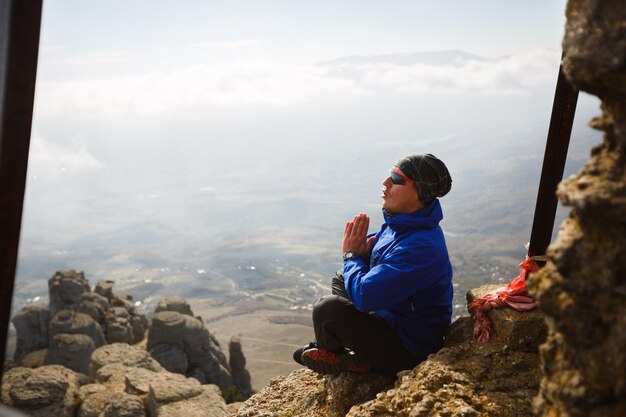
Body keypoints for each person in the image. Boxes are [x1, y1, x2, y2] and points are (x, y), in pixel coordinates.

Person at [292, 153, 453, 376]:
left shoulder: (422, 247)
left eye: (397, 180)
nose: (385, 183)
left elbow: (366, 295)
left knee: (327, 309)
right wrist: (360, 255)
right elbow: (377, 261)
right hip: (391, 321)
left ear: (420, 193)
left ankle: (347, 362)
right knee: (341, 278)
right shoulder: (400, 224)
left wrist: (351, 255)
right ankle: (350, 355)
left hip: (409, 351)